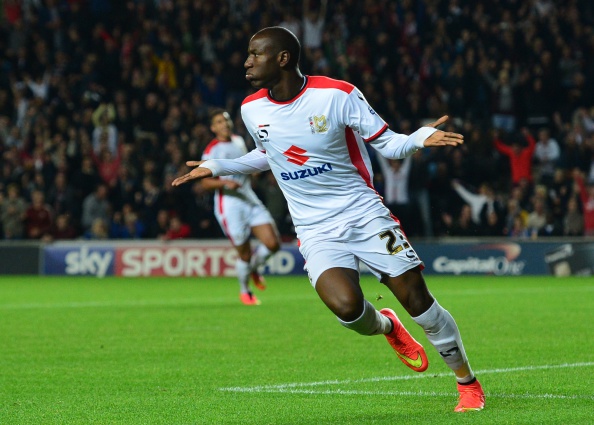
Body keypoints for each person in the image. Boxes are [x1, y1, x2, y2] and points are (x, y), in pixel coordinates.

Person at [173, 27, 484, 412]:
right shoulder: (251, 109)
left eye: (256, 54)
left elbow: (388, 142)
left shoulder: (337, 95)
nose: (246, 61)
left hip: (364, 215)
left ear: (283, 59)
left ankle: (467, 383)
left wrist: (419, 138)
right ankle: (389, 326)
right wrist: (220, 165)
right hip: (315, 229)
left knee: (418, 300)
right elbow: (269, 154)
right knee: (347, 308)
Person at [200, 108, 281, 306]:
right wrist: (224, 183)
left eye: (226, 120)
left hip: (249, 199)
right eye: (219, 122)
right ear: (213, 128)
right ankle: (245, 292)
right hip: (229, 206)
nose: (224, 124)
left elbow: (248, 165)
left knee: (273, 244)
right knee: (244, 253)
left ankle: (253, 269)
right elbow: (204, 182)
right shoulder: (211, 150)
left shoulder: (239, 141)